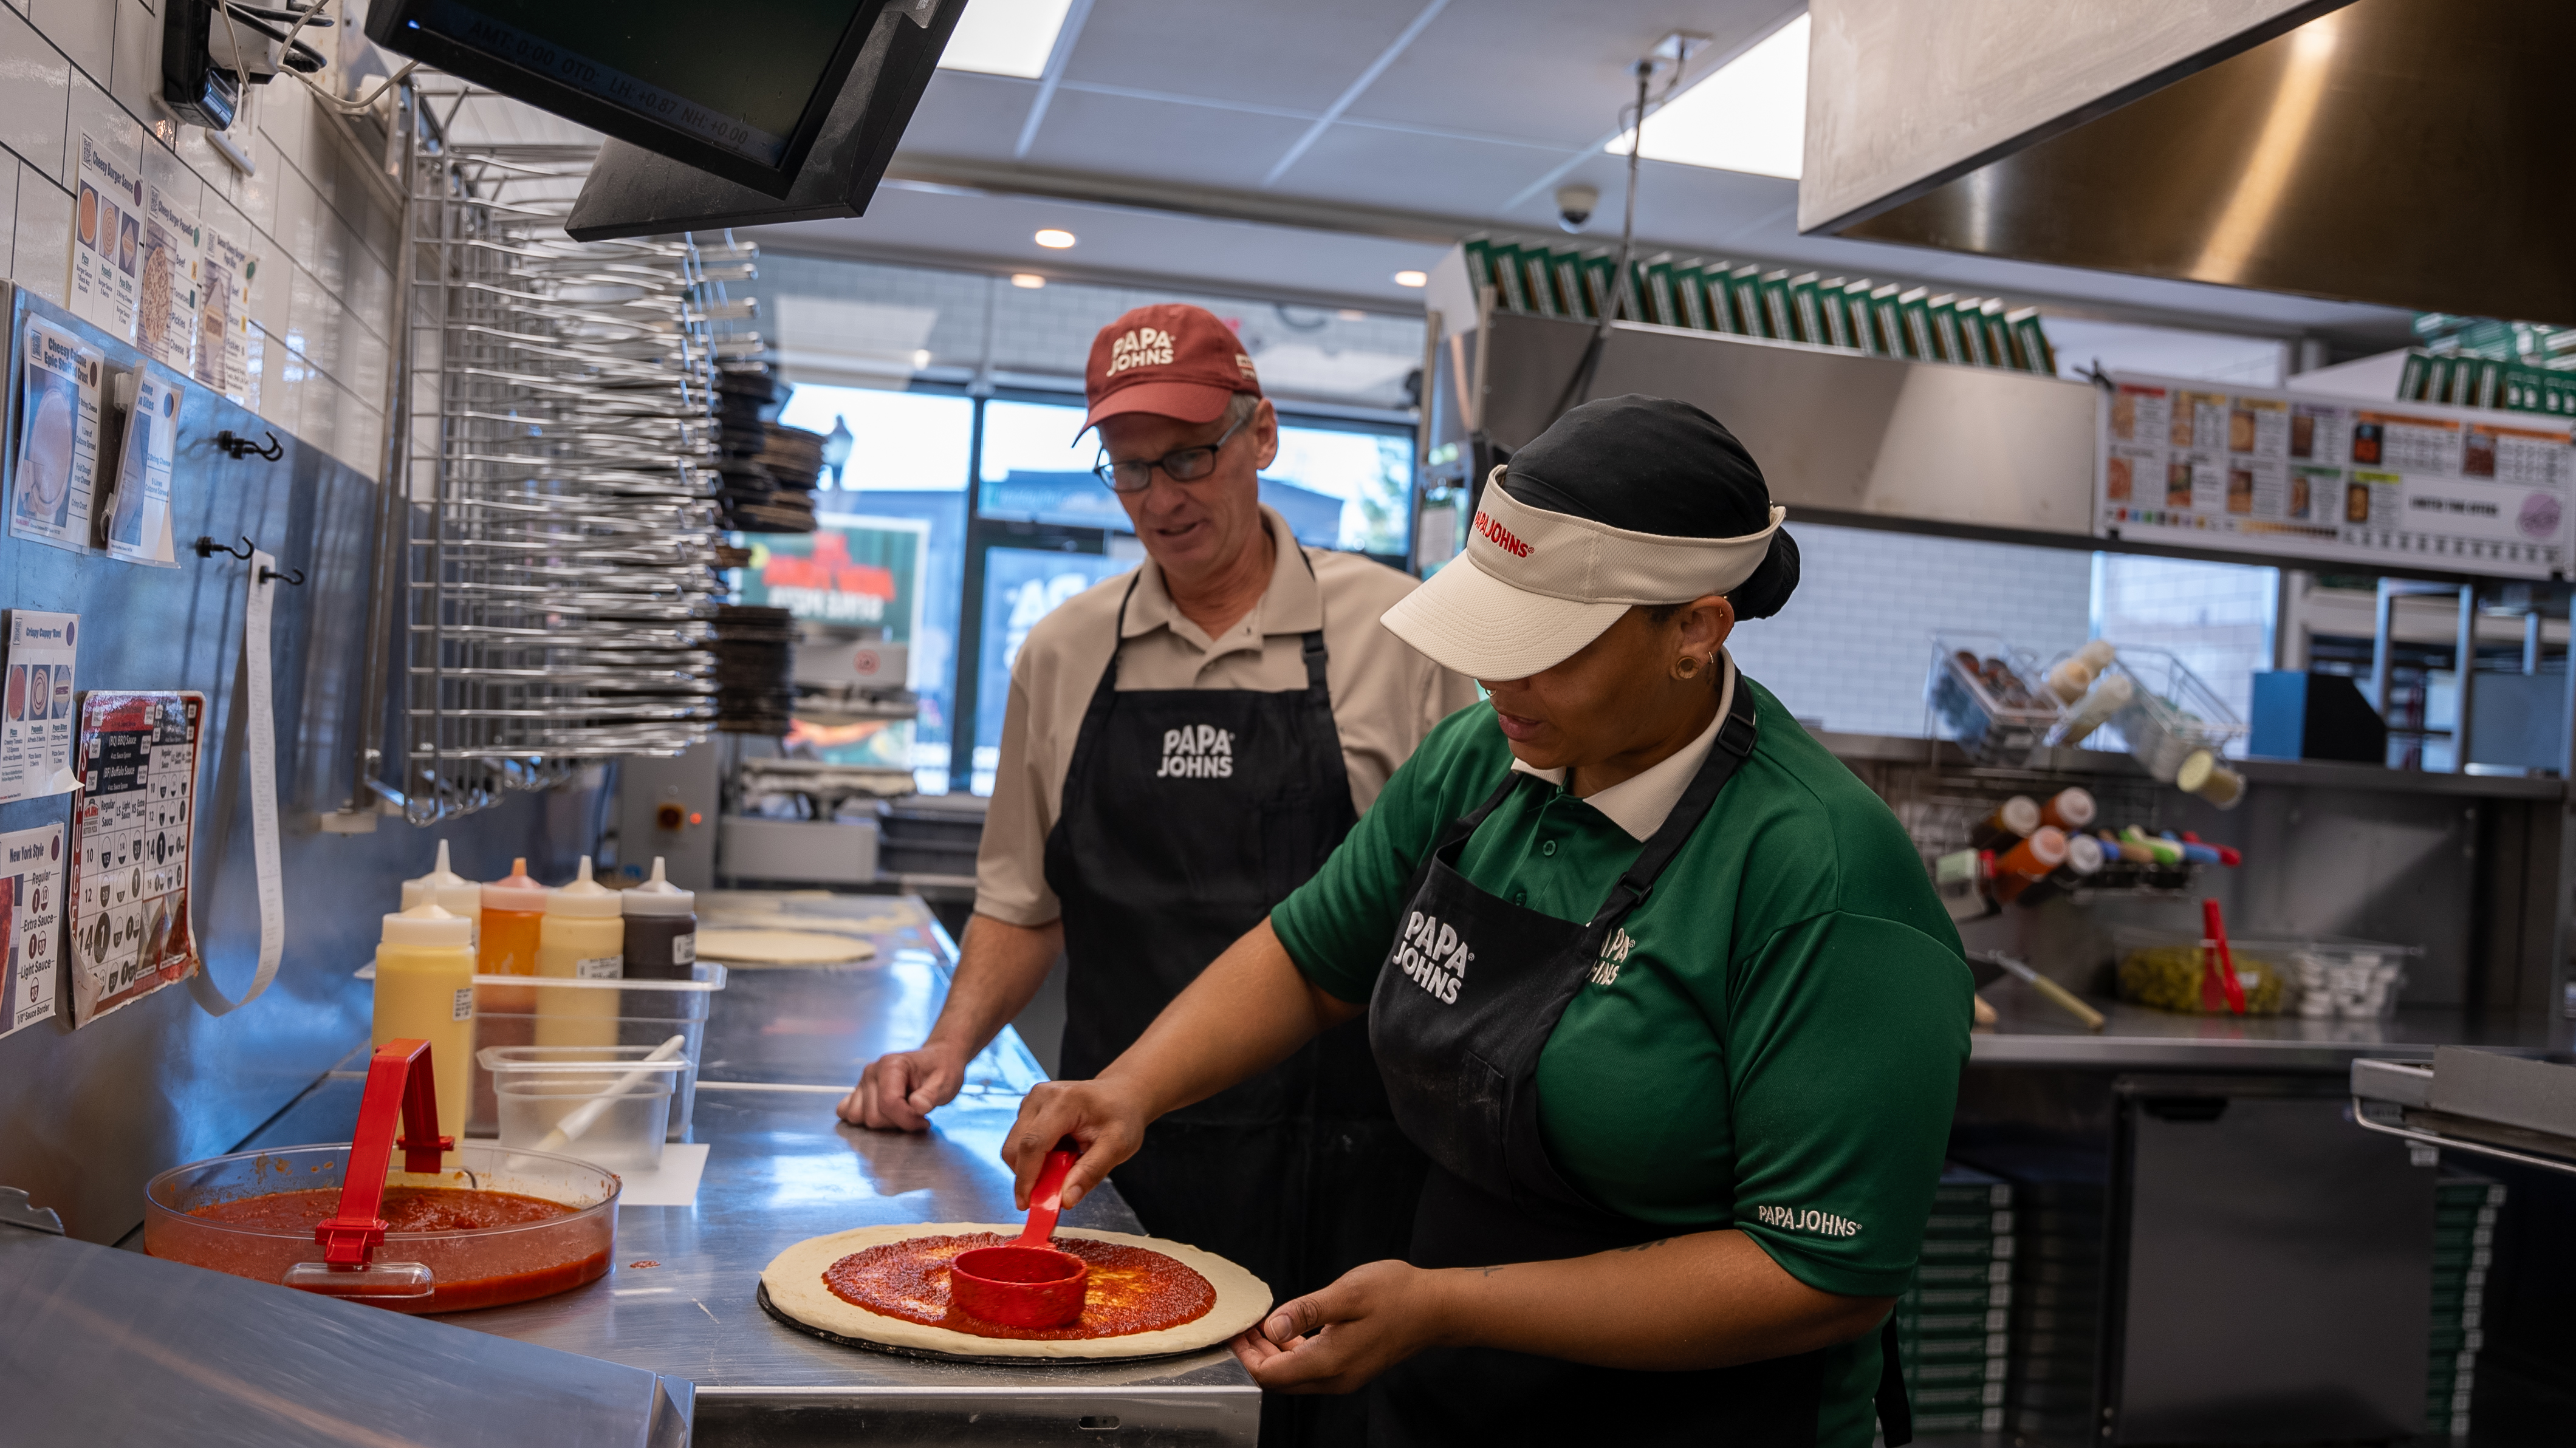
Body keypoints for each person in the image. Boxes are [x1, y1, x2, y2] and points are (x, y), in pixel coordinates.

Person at [998, 395, 1973, 1446]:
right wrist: (1129, 1088)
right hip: (1453, 1398)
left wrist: (1449, 1305)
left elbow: (1819, 1275)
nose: (1498, 680)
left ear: (1695, 631)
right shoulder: (1483, 762)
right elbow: (1311, 955)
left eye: (1547, 648)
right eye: (1487, 636)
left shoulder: (1821, 871)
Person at [844, 304, 1478, 1444]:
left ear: (1261, 434)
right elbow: (1021, 901)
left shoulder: (1399, 633)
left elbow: (1455, 914)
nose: (1160, 499)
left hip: (1345, 1166)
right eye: (1129, 470)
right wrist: (950, 1047)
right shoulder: (1064, 651)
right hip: (1116, 1163)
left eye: (1188, 458)